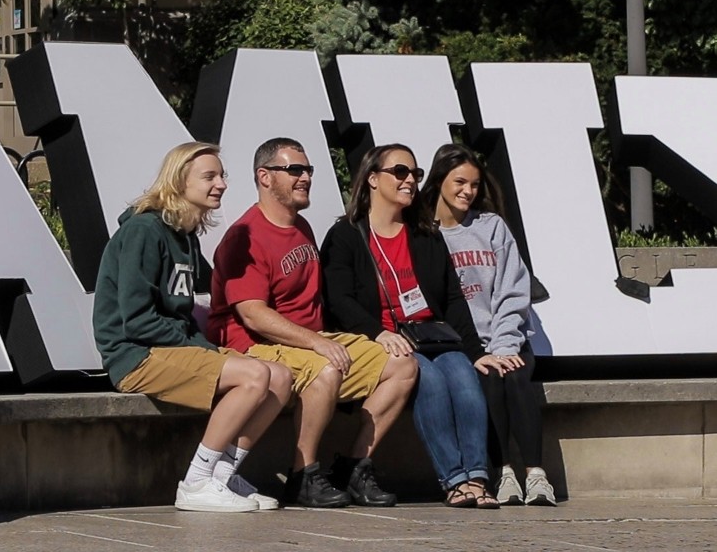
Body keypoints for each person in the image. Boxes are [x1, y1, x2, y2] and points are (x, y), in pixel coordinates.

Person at [208, 138, 418, 508]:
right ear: (265, 177)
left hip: (309, 340)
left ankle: (354, 466)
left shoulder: (301, 226)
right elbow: (252, 313)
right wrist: (316, 342)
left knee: (402, 365)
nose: (305, 177)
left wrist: (366, 335)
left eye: (307, 171)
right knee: (324, 368)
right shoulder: (246, 235)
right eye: (294, 170)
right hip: (255, 345)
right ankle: (303, 474)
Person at [93, 141, 293, 513]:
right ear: (179, 181)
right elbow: (136, 321)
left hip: (169, 347)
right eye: (210, 176)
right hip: (135, 355)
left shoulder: (183, 236)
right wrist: (205, 349)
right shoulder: (143, 231)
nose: (221, 183)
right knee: (253, 377)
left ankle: (222, 477)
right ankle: (197, 481)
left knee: (280, 376)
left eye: (222, 175)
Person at [320, 143, 518, 509]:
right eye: (400, 172)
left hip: (431, 336)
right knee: (428, 379)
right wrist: (378, 333)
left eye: (415, 174)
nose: (410, 180)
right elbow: (338, 300)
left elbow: (453, 298)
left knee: (462, 374)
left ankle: (477, 478)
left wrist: (477, 352)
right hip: (381, 342)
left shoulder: (425, 233)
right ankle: (454, 481)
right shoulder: (346, 235)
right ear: (373, 179)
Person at [419, 143, 558, 506]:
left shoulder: (491, 227)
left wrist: (504, 345)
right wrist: (477, 350)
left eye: (475, 184)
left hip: (505, 338)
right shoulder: (424, 235)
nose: (468, 191)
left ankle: (537, 475)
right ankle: (505, 473)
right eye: (460, 182)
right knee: (489, 381)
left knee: (515, 375)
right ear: (439, 181)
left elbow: (513, 289)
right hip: (462, 345)